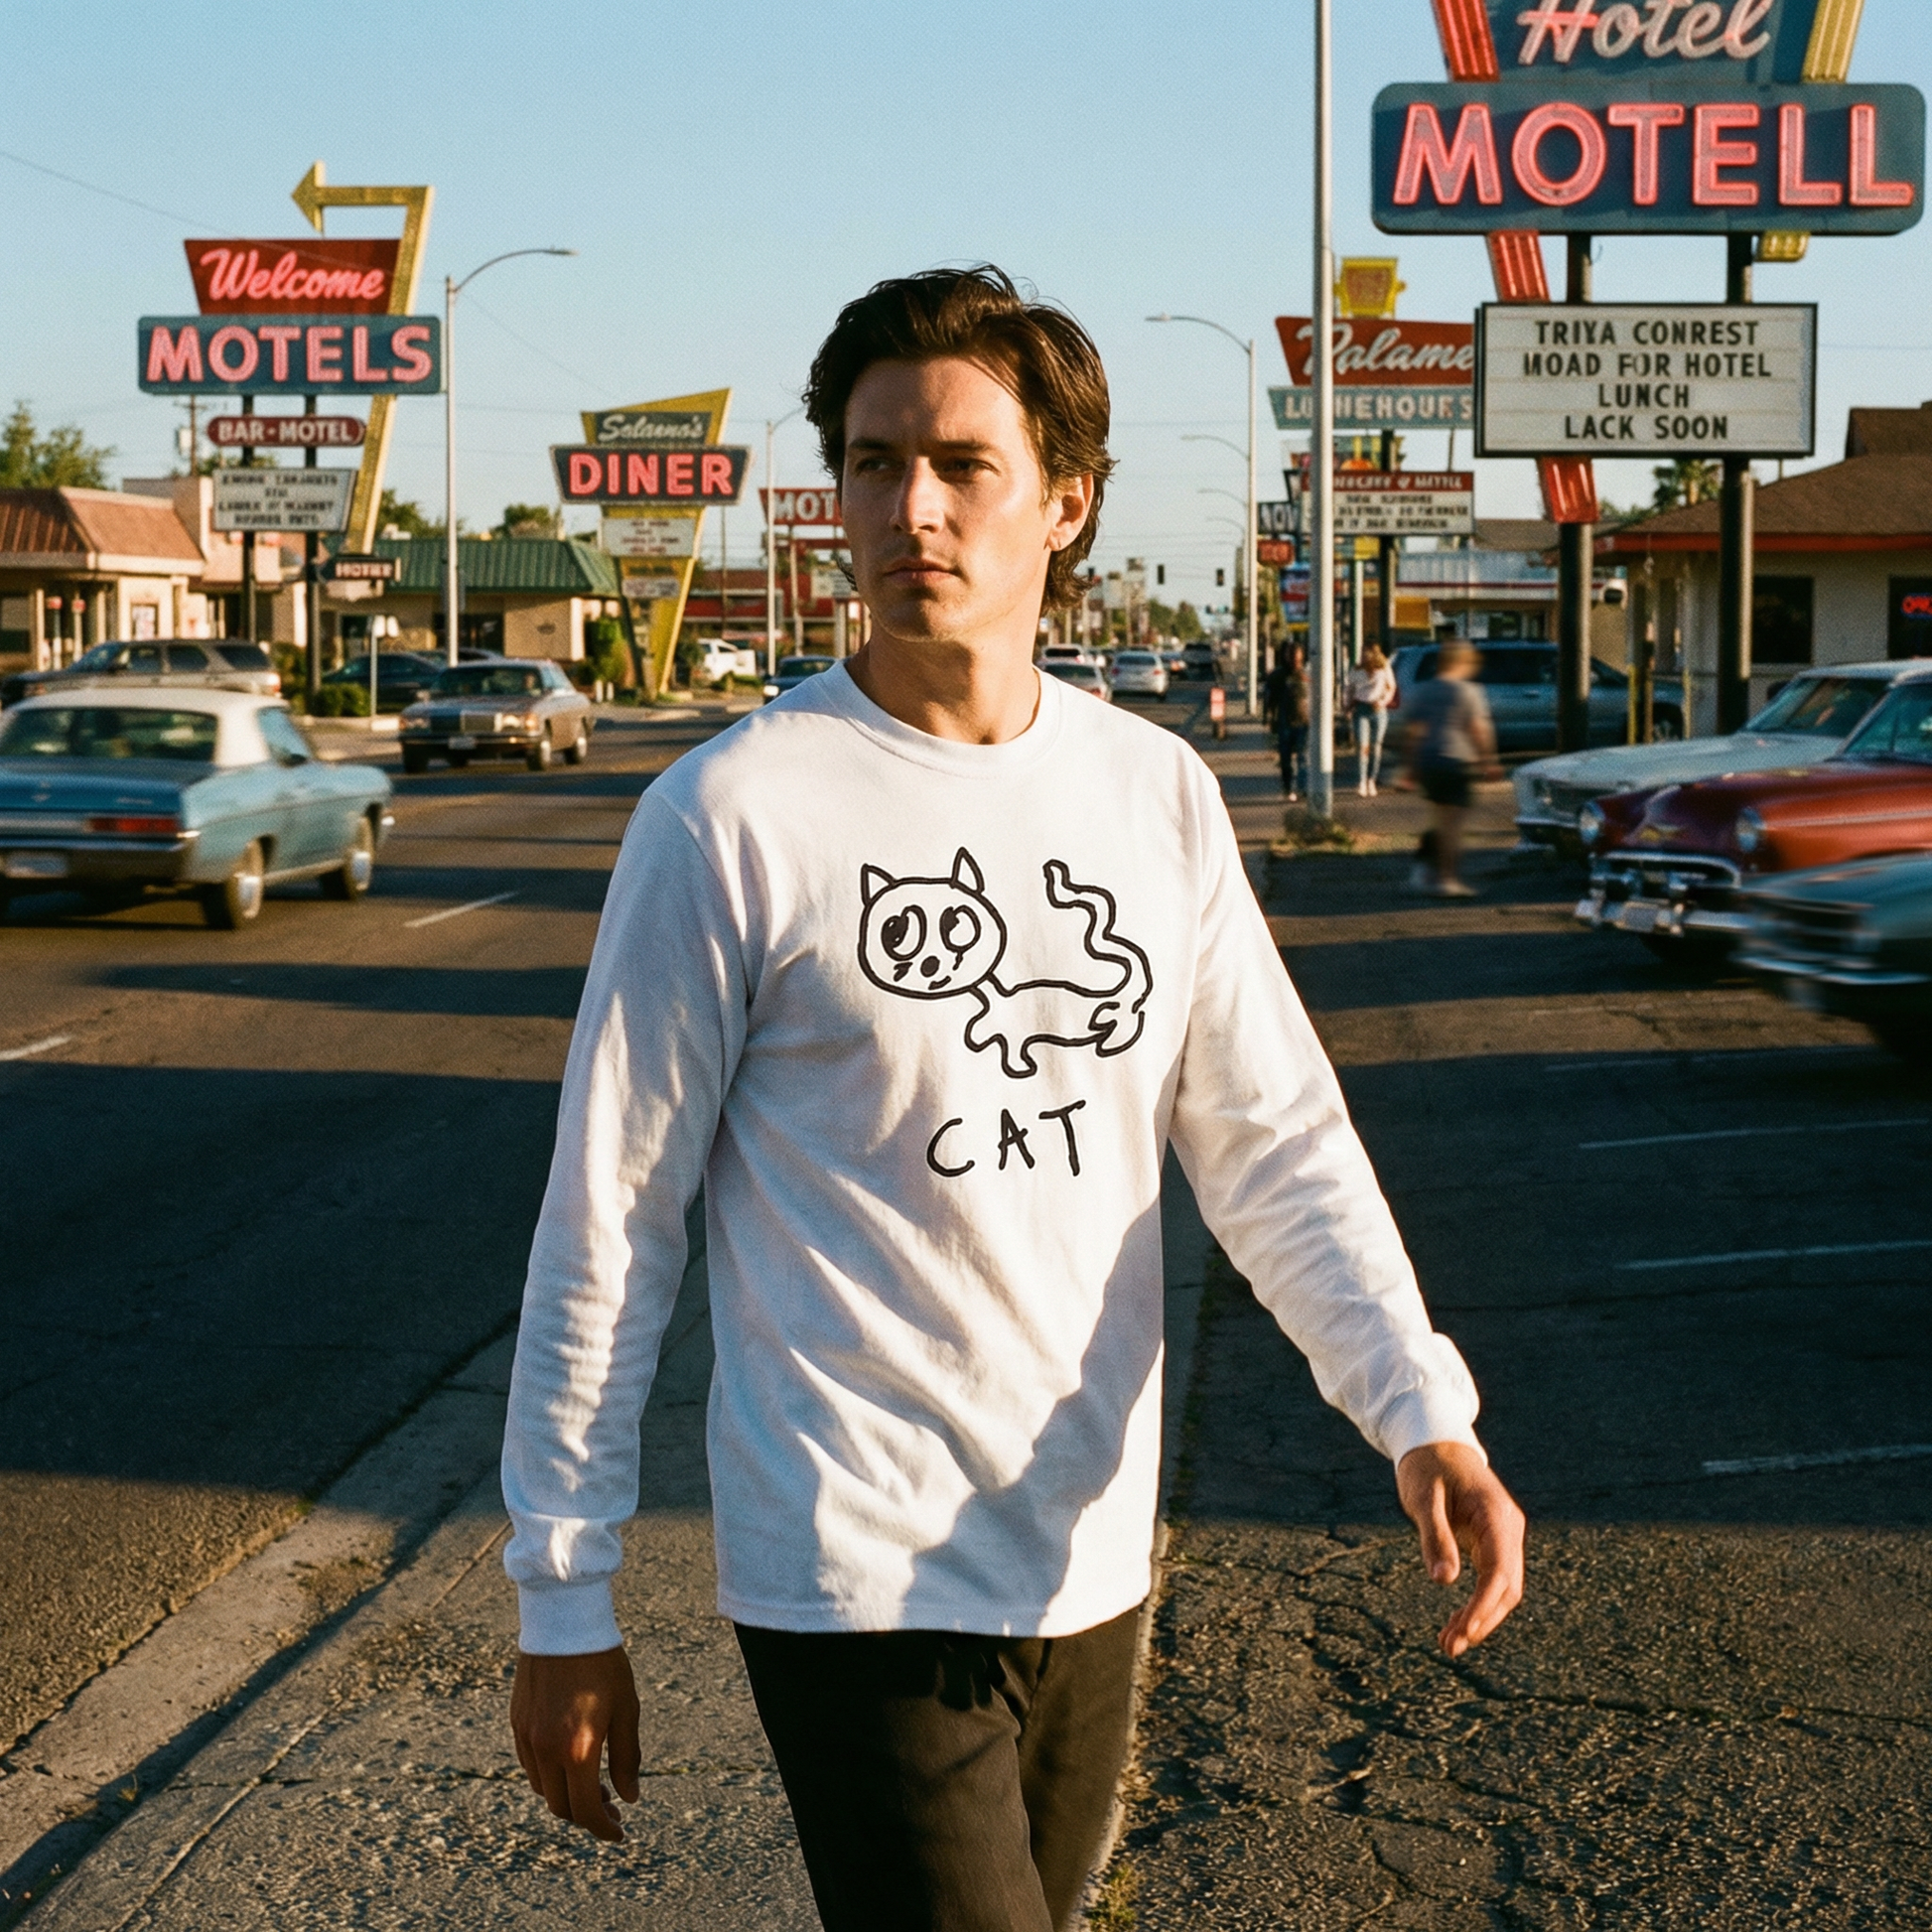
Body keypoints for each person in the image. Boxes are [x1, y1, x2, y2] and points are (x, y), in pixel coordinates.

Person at [503, 267, 1524, 1932]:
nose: (911, 505)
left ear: (1065, 501)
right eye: (871, 458)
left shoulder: (1153, 791)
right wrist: (563, 1589)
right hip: (851, 1559)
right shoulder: (731, 816)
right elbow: (613, 1217)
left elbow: (1271, 1139)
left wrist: (1417, 1403)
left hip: (1087, 1551)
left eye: (961, 463)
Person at [1403, 640, 1495, 897]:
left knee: (1440, 820)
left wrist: (1410, 769)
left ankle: (1427, 871)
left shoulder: (1424, 691)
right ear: (1462, 663)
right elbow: (1479, 730)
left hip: (1429, 761)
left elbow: (1413, 733)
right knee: (1453, 826)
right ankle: (1447, 878)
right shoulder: (1469, 692)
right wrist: (1488, 761)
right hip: (1457, 760)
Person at [1347, 642, 1396, 796]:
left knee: (1376, 746)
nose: (1363, 657)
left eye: (1366, 653)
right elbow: (1350, 689)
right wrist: (1347, 705)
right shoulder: (1356, 670)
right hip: (1361, 708)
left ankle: (1371, 780)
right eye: (1362, 654)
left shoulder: (1383, 668)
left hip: (1378, 710)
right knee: (1363, 745)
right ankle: (1361, 781)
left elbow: (1391, 687)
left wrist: (1383, 701)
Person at [1275, 641, 1311, 800]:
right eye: (1291, 657)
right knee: (1286, 758)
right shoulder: (1280, 675)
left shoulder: (1307, 674)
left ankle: (1302, 788)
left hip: (1304, 721)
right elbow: (1271, 699)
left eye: (1297, 657)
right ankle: (1288, 788)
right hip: (1285, 721)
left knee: (1303, 757)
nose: (1294, 661)